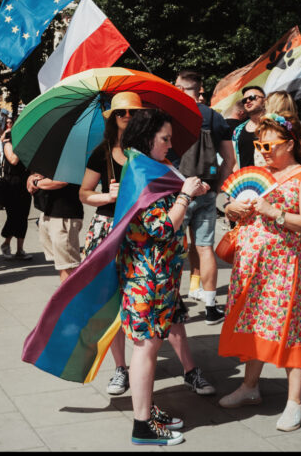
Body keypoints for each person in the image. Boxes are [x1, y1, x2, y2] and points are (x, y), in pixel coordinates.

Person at [218, 113, 301, 432]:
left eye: (268, 144)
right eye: (258, 143)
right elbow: (232, 204)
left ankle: (295, 403)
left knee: (288, 328)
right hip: (248, 265)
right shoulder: (258, 173)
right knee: (251, 323)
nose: (261, 149)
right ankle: (250, 387)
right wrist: (229, 208)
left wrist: (275, 212)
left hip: (281, 267)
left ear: (289, 144)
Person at [119, 109, 213, 446]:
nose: (170, 145)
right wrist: (186, 195)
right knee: (145, 349)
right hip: (148, 278)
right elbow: (161, 227)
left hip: (158, 277)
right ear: (147, 138)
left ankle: (147, 409)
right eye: (165, 139)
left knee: (150, 344)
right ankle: (142, 426)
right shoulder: (142, 172)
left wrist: (189, 190)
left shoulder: (148, 168)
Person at [78, 92, 147, 395]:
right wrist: (107, 196)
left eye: (133, 112)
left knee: (149, 297)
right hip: (108, 228)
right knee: (111, 300)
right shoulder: (101, 153)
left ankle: (170, 363)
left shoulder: (149, 151)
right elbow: (83, 193)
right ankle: (121, 368)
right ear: (113, 118)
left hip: (143, 231)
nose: (128, 117)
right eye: (122, 113)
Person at [174, 74, 235, 325]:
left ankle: (176, 306)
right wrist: (216, 187)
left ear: (180, 88)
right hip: (207, 190)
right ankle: (211, 307)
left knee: (174, 249)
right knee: (205, 248)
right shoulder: (215, 117)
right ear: (199, 89)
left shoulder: (171, 114)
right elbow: (229, 159)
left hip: (178, 192)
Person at [27, 170, 84, 284]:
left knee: (68, 265)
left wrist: (37, 182)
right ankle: (68, 297)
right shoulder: (55, 154)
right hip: (49, 212)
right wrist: (32, 177)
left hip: (64, 215)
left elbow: (62, 181)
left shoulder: (71, 156)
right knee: (62, 264)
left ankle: (70, 299)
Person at [0, 128, 32, 260]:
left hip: (24, 184)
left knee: (23, 216)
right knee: (13, 216)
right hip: (11, 184)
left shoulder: (28, 146)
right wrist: (22, 146)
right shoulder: (8, 145)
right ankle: (6, 244)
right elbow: (13, 160)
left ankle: (20, 249)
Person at [231, 86, 266, 169]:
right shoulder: (238, 130)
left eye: (252, 97)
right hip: (245, 180)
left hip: (268, 179)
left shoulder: (273, 125)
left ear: (264, 100)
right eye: (244, 100)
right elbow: (234, 160)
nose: (247, 101)